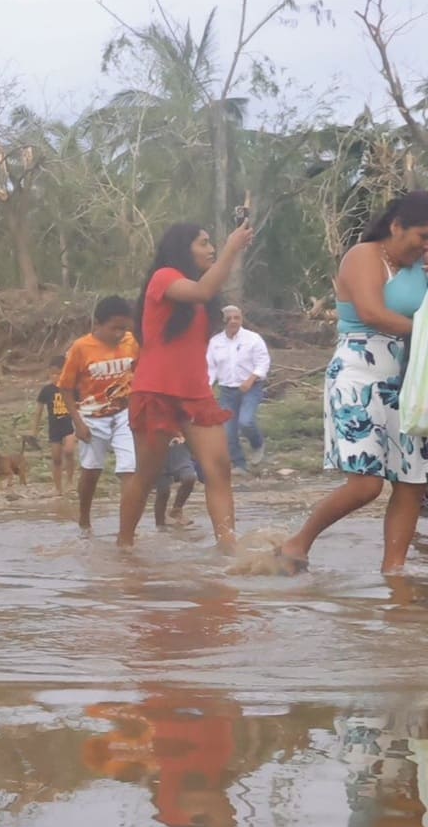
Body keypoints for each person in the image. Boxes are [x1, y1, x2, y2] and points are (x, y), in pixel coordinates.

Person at [278, 193, 428, 574]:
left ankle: (393, 571)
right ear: (396, 226)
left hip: (409, 378)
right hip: (359, 370)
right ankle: (298, 542)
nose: (426, 245)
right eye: (422, 236)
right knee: (366, 484)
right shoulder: (364, 255)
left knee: (412, 482)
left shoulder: (421, 268)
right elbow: (372, 313)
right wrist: (425, 330)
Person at [114, 221, 253, 553]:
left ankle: (228, 549)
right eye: (204, 243)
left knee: (219, 468)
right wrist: (233, 247)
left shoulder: (200, 296)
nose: (211, 248)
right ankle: (124, 546)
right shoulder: (164, 278)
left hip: (196, 393)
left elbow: (205, 292)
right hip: (156, 390)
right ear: (183, 248)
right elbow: (203, 291)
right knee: (146, 475)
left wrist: (230, 252)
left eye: (213, 243)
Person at [58, 297, 139, 534]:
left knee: (130, 468)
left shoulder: (132, 343)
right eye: (114, 327)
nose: (119, 333)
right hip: (92, 417)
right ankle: (84, 517)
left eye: (123, 328)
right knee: (92, 470)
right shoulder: (81, 348)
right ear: (98, 324)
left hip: (125, 413)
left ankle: (127, 527)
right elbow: (65, 387)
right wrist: (78, 422)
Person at [206, 305, 270, 472]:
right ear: (223, 321)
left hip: (251, 387)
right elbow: (210, 368)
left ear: (241, 319)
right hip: (227, 390)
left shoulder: (253, 339)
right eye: (229, 318)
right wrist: (207, 388)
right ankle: (239, 464)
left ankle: (257, 444)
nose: (233, 321)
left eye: (237, 317)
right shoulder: (215, 342)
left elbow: (263, 361)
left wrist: (251, 379)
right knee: (228, 431)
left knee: (246, 421)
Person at [33, 355, 76, 498]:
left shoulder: (72, 388)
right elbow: (38, 411)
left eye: (59, 373)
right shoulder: (46, 391)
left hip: (70, 425)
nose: (56, 377)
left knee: (69, 451)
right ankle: (57, 488)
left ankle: (70, 481)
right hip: (54, 428)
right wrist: (34, 430)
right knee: (56, 458)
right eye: (53, 374)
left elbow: (81, 407)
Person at [153, 438, 197, 529]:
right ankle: (160, 524)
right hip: (157, 452)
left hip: (181, 451)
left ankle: (176, 510)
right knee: (163, 492)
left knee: (189, 478)